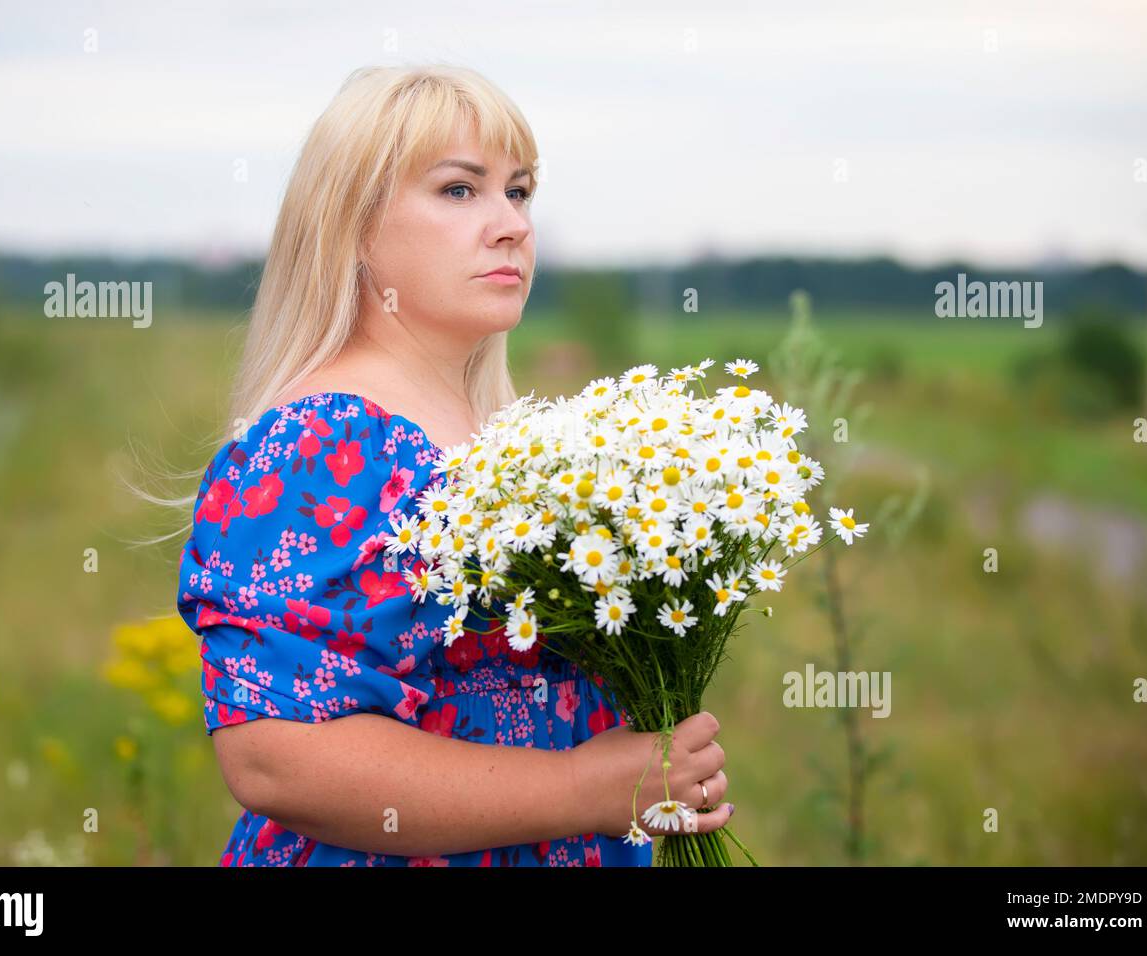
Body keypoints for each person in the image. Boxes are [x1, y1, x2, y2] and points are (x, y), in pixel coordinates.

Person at [175, 63, 733, 866]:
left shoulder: (512, 443)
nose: (511, 224)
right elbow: (278, 759)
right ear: (354, 226)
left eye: (520, 191)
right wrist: (589, 791)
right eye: (460, 191)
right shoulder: (318, 444)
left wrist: (653, 773)